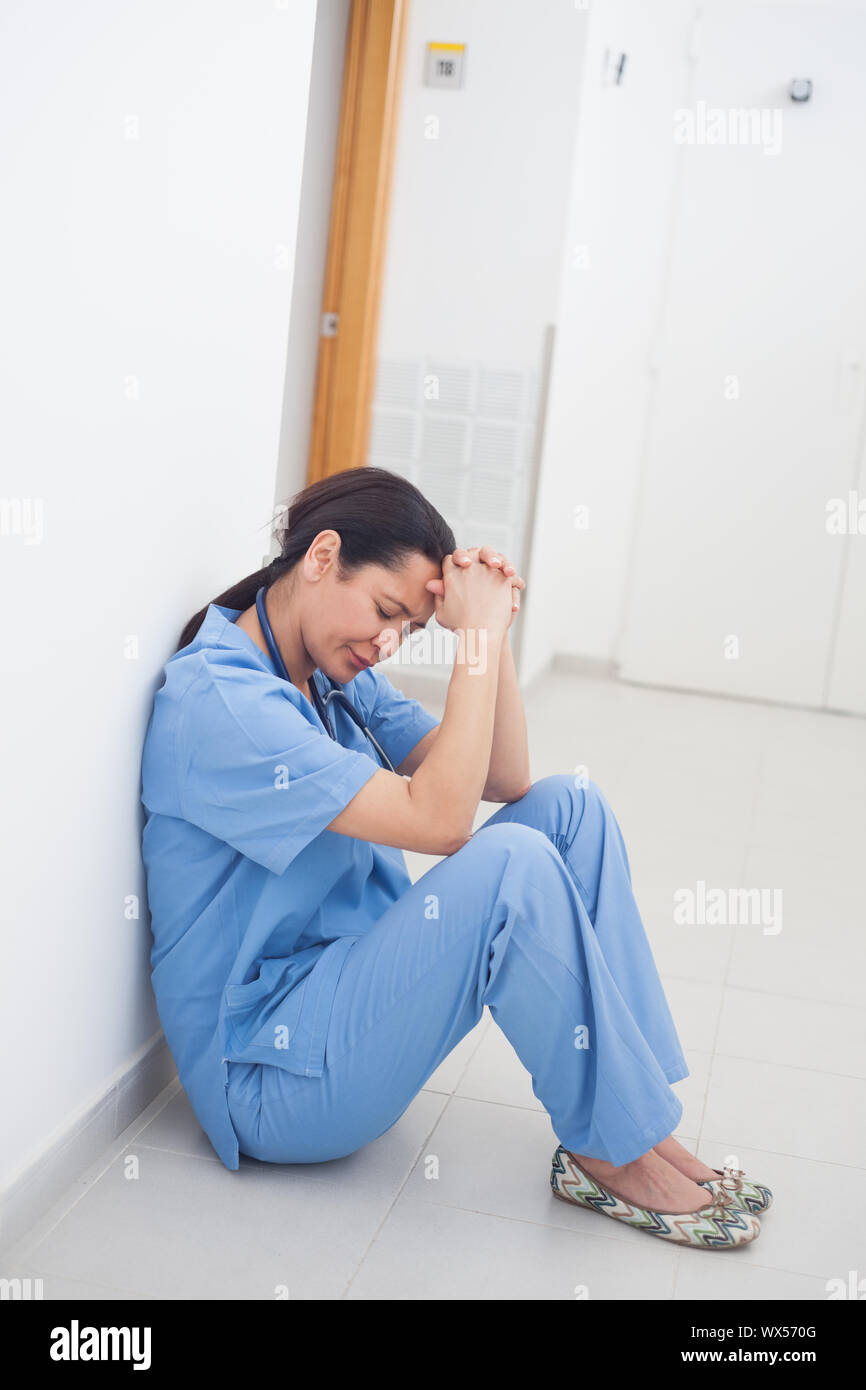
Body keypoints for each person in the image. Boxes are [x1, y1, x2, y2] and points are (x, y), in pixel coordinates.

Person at [140, 465, 772, 1249]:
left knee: (569, 809)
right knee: (513, 869)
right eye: (384, 611)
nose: (387, 642)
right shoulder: (225, 703)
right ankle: (613, 1147)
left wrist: (491, 634)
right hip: (271, 1078)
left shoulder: (325, 673)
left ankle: (640, 1126)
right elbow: (442, 821)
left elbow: (502, 779)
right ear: (321, 555)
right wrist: (468, 637)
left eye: (409, 627)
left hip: (343, 999)